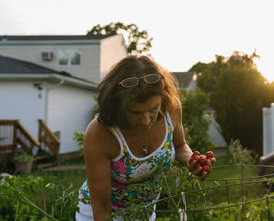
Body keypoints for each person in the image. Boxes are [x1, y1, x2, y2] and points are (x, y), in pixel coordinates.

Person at [75, 55, 216, 221]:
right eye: (136, 113)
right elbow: (102, 211)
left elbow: (179, 145)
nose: (146, 120)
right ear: (119, 107)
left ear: (162, 98)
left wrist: (191, 160)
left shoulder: (172, 109)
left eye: (153, 109)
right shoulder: (100, 133)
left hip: (144, 214)